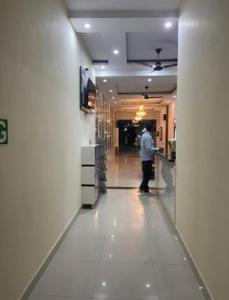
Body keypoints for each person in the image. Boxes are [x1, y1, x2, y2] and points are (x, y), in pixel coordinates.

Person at [139, 121, 158, 194]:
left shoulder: (144, 135)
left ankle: (146, 189)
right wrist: (156, 149)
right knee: (147, 175)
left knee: (146, 175)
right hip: (147, 159)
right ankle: (142, 188)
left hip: (145, 158)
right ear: (152, 128)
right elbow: (149, 148)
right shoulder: (148, 137)